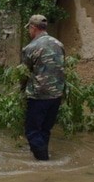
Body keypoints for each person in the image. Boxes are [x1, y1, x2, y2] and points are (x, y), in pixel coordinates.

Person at [21, 14, 65, 160]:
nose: (29, 32)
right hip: (57, 95)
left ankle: (44, 163)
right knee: (45, 129)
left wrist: (21, 90)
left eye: (29, 29)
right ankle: (42, 156)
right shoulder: (59, 44)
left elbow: (24, 73)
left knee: (32, 131)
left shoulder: (30, 47)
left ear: (33, 28)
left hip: (38, 96)